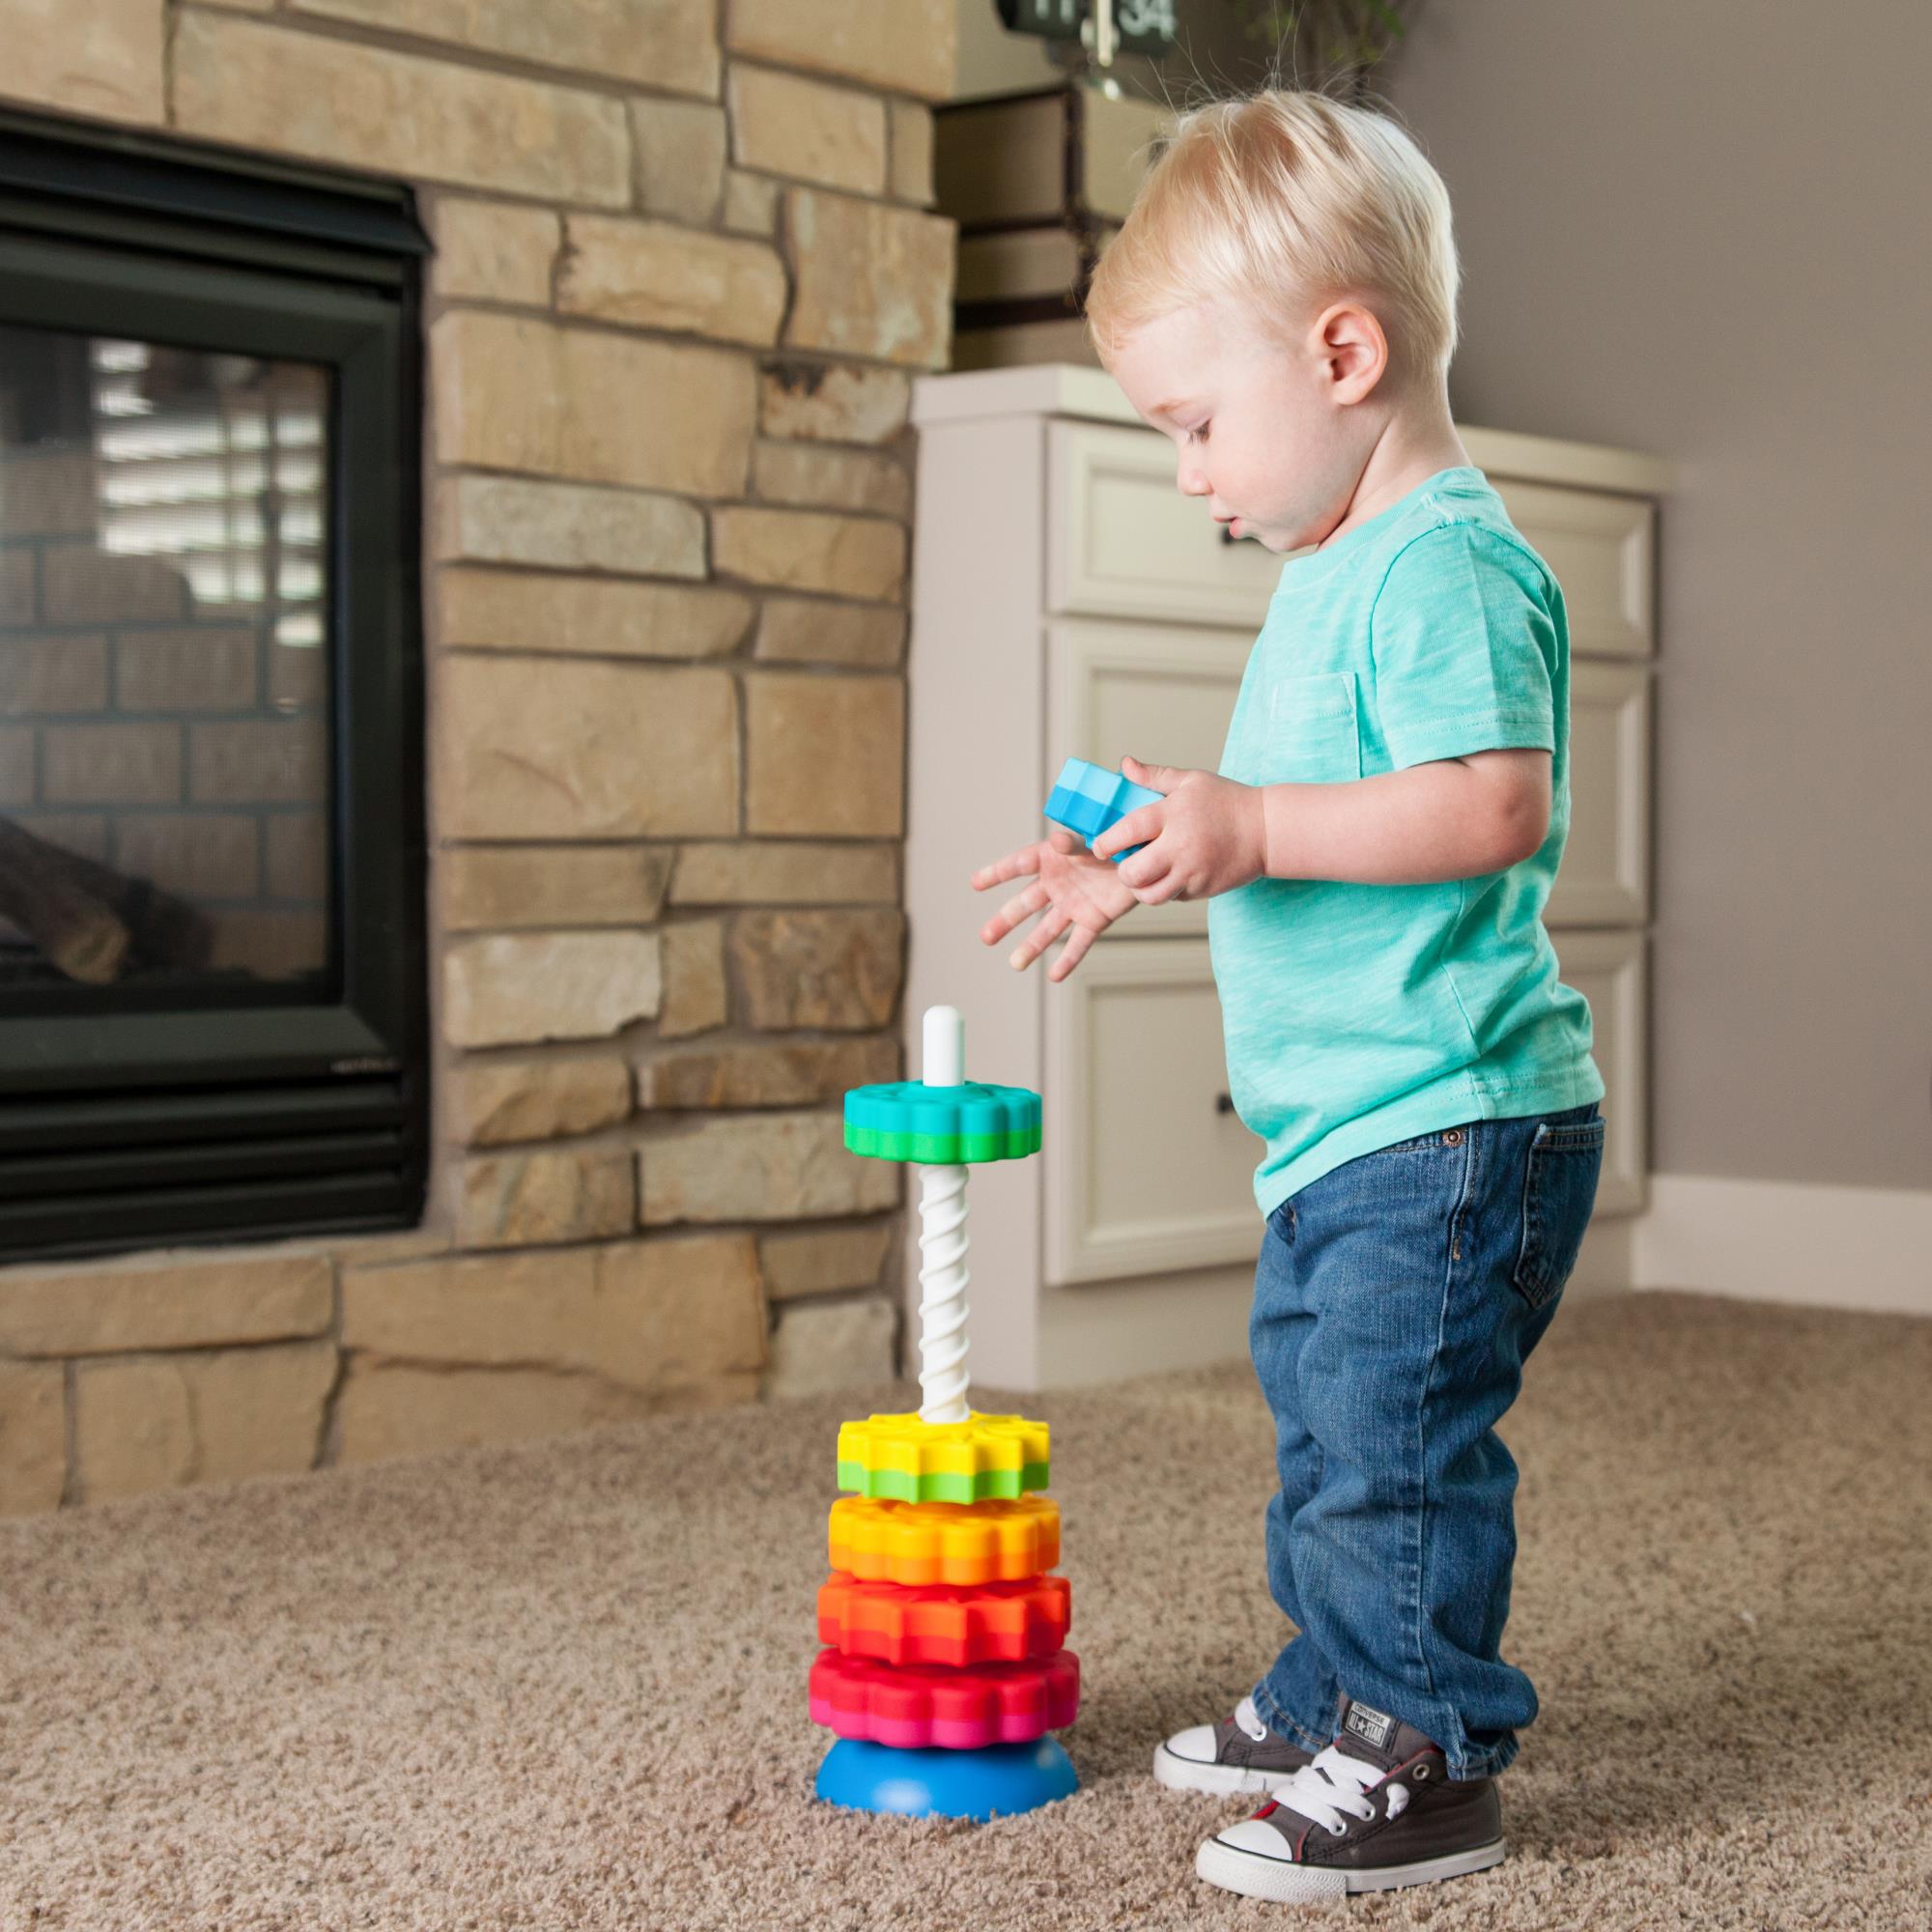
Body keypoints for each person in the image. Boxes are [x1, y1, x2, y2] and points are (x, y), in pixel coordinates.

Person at [969, 86, 1606, 1906]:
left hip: (1456, 1120)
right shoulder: (1336, 573)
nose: (1188, 470)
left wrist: (1251, 817)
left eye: (1192, 422)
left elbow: (1494, 802)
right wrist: (1171, 842)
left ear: (1345, 353)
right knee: (1331, 1417)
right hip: (1349, 1130)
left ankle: (1421, 1751)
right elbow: (1310, 827)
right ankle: (1338, 1677)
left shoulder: (1448, 561)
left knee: (1388, 1440)